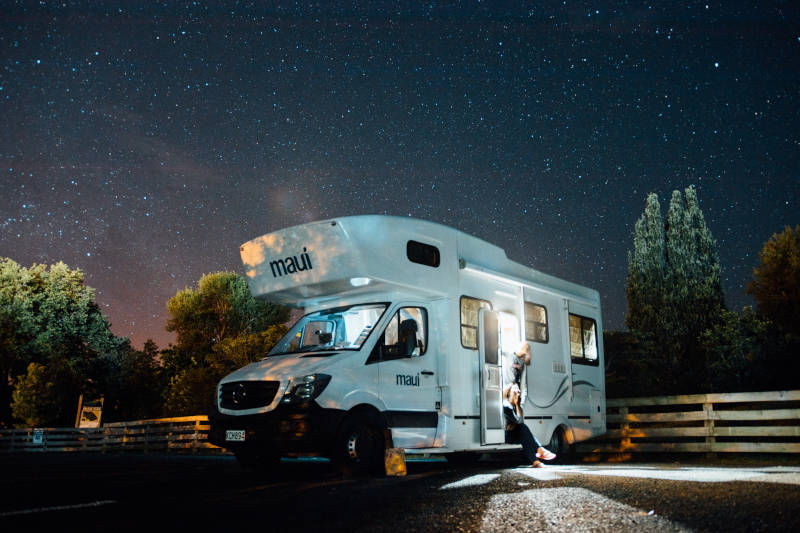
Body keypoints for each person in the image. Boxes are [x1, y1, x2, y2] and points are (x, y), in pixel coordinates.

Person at [504, 383, 556, 467]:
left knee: (525, 436)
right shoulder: (506, 405)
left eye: (519, 389)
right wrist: (515, 423)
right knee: (523, 429)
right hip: (503, 435)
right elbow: (518, 421)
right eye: (516, 389)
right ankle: (540, 450)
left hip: (511, 433)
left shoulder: (515, 406)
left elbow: (519, 421)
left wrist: (517, 406)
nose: (519, 391)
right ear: (510, 392)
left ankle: (536, 461)